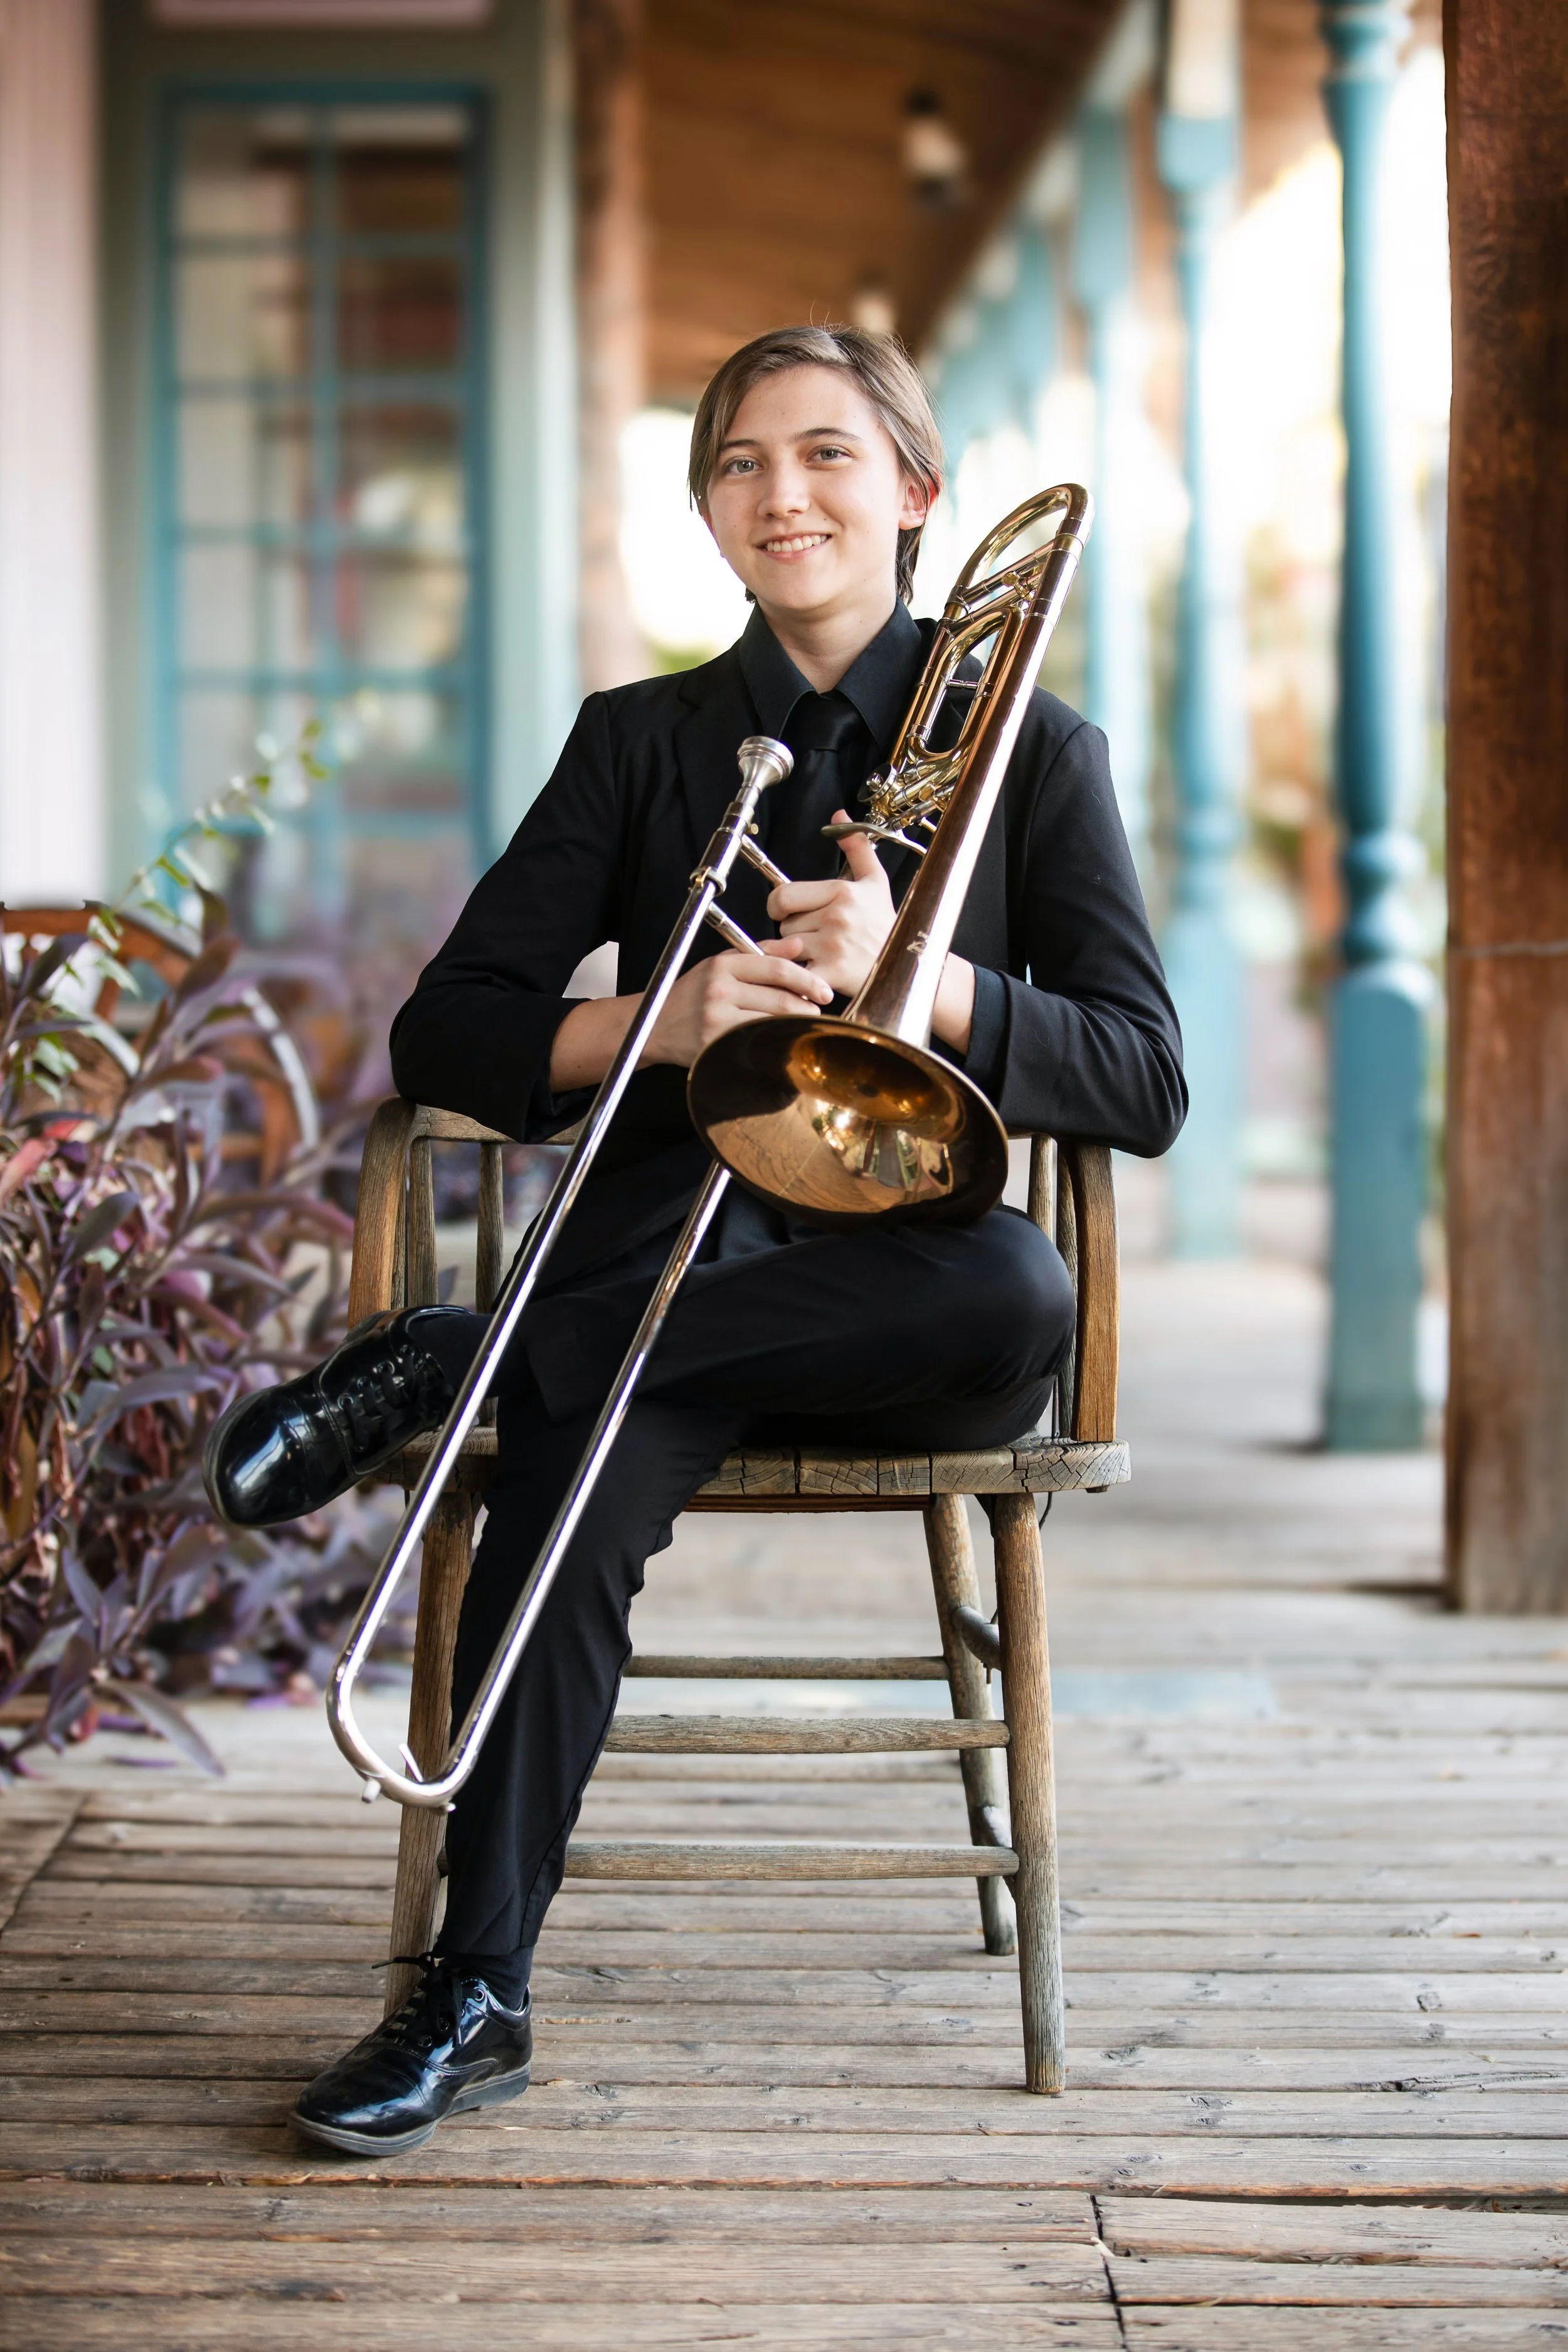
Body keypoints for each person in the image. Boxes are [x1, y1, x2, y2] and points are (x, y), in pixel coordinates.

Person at [204, 325, 1186, 2156]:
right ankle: (472, 1991)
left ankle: (445, 1359)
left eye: (825, 454)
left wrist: (935, 984)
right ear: (710, 513)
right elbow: (451, 1030)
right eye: (739, 463)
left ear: (911, 490)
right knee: (569, 1471)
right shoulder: (635, 743)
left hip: (901, 1291)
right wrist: (657, 1022)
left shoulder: (1034, 751)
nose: (782, 492)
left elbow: (1140, 1073)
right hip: (666, 1270)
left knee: (1020, 1279)